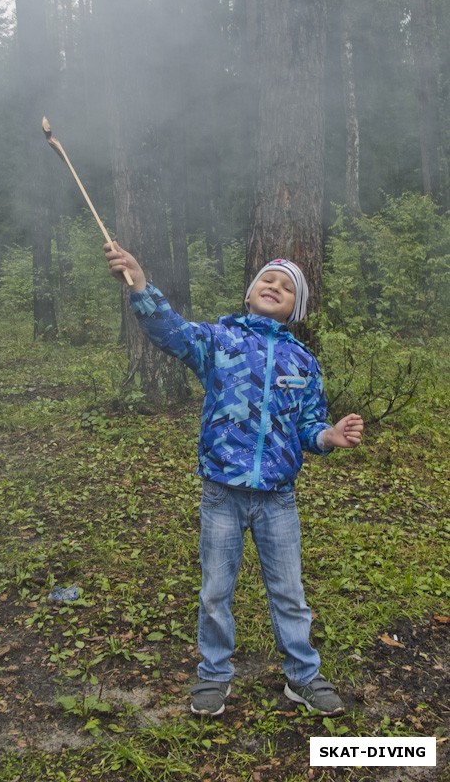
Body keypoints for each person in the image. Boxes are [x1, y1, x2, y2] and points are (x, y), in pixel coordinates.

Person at [104, 241, 364, 717]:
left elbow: (309, 429)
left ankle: (302, 676)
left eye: (287, 288)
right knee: (215, 591)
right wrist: (140, 284)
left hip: (277, 501)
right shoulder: (219, 342)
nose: (274, 287)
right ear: (249, 293)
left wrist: (329, 435)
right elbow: (171, 332)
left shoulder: (303, 362)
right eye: (267, 280)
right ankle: (214, 675)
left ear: (295, 310)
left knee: (289, 592)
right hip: (221, 494)